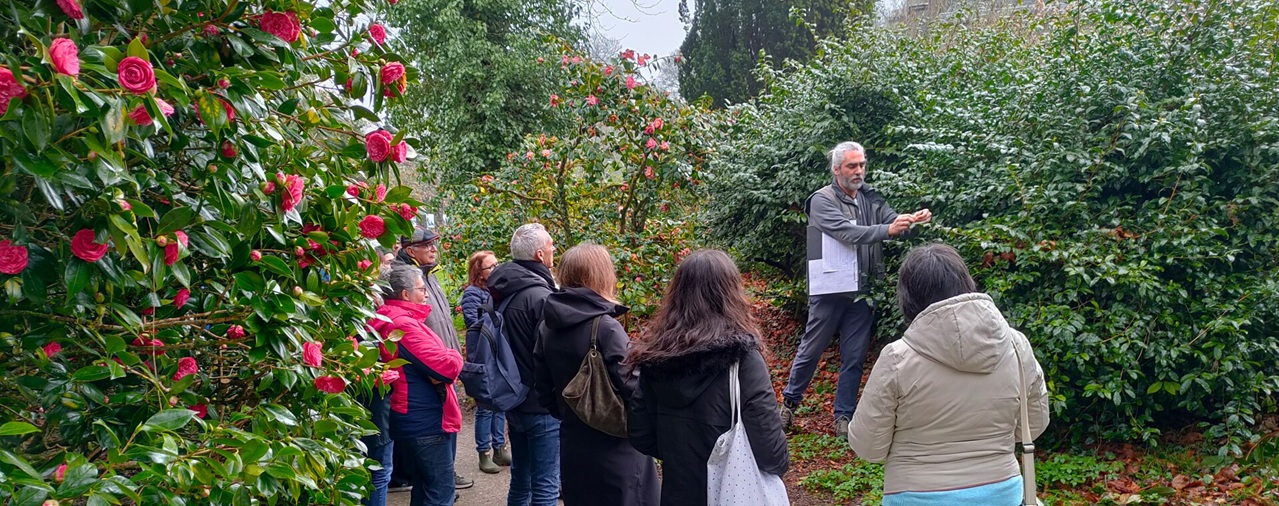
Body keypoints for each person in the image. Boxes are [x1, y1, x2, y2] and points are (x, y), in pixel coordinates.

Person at [848, 243, 1049, 505]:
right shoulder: (1016, 344)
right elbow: (1033, 426)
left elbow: (868, 446)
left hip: (915, 495)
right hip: (1001, 493)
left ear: (909, 298)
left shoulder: (897, 358)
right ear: (967, 283)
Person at [780, 140, 933, 438]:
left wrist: (912, 220)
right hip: (829, 291)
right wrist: (886, 230)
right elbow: (845, 232)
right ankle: (788, 405)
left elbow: (891, 223)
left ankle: (843, 418)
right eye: (852, 166)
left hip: (863, 291)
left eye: (862, 165)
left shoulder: (871, 197)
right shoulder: (821, 200)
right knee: (811, 349)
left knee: (854, 355)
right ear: (836, 170)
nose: (859, 171)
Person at [626, 249, 789, 506]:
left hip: (676, 495)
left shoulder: (654, 359)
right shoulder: (742, 359)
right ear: (731, 295)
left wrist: (679, 455)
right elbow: (772, 454)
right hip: (731, 495)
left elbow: (640, 433)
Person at [533, 244, 660, 506]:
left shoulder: (547, 327)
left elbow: (544, 392)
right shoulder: (606, 328)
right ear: (600, 276)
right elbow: (636, 389)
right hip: (618, 454)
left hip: (574, 449)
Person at [371, 265, 465, 506]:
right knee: (440, 491)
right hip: (424, 417)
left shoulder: (393, 319)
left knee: (425, 487)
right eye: (422, 289)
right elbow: (446, 366)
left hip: (413, 413)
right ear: (404, 294)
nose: (426, 294)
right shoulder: (403, 324)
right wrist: (455, 355)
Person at [486, 223, 560, 506]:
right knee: (545, 486)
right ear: (540, 255)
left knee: (521, 479)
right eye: (551, 245)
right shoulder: (539, 297)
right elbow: (548, 353)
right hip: (540, 404)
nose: (554, 250)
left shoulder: (506, 289)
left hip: (514, 397)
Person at [395, 228, 472, 490]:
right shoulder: (407, 279)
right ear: (410, 251)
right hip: (429, 371)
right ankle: (442, 478)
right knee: (434, 477)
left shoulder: (429, 275)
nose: (433, 249)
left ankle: (445, 475)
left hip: (441, 362)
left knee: (445, 432)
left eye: (434, 244)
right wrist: (447, 359)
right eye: (426, 245)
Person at [460, 250, 512, 474]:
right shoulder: (472, 293)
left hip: (497, 351)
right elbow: (472, 320)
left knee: (499, 402)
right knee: (484, 407)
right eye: (490, 266)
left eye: (496, 264)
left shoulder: (496, 291)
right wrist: (496, 317)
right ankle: (484, 453)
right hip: (482, 355)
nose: (495, 269)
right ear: (478, 272)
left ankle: (499, 448)